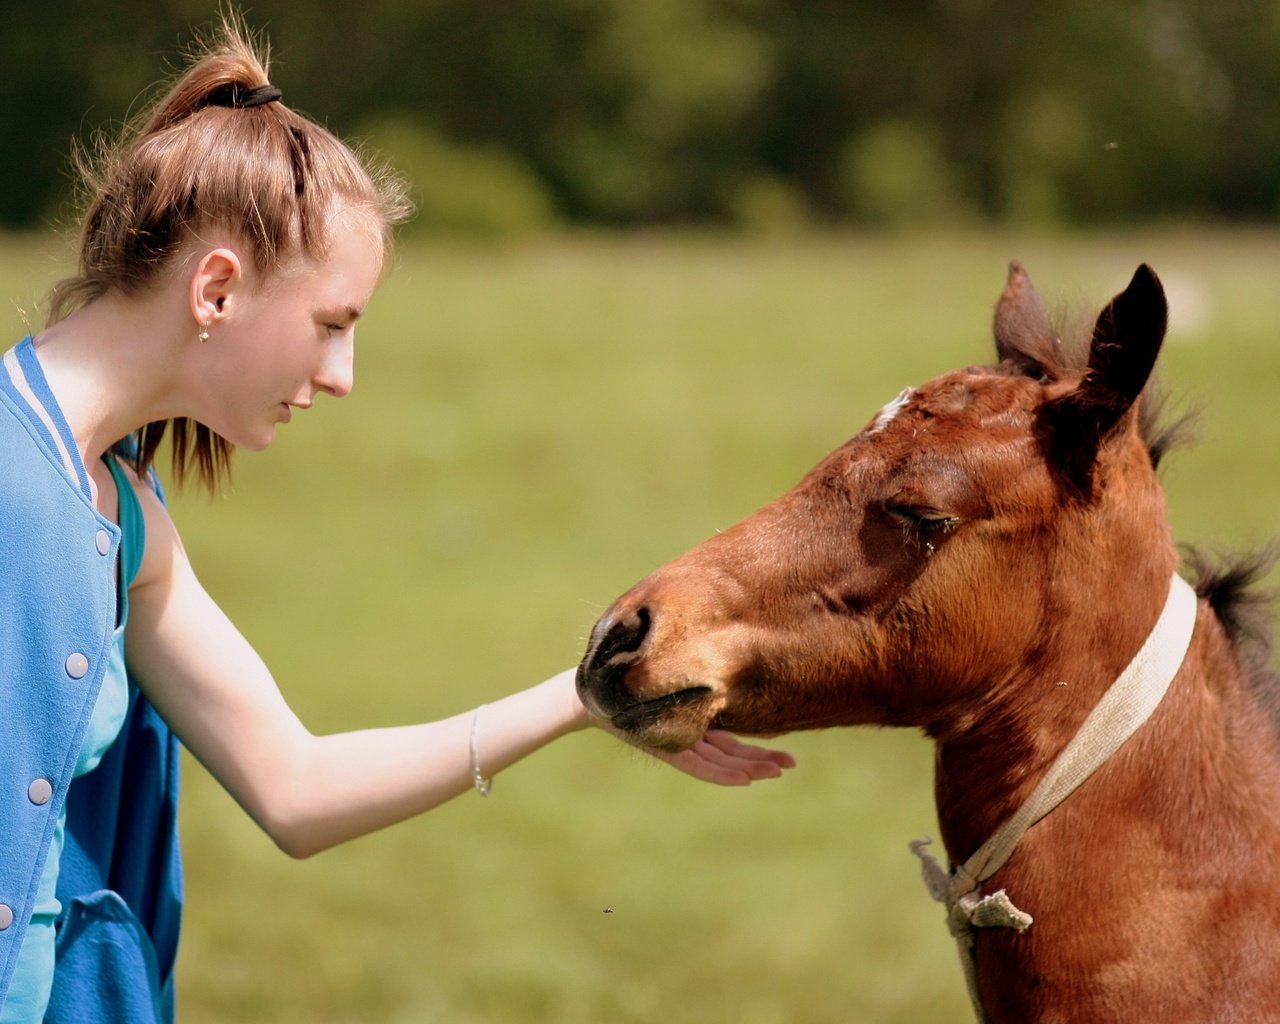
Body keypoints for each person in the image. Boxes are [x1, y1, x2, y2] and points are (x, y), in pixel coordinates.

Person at [0, 16, 794, 1023]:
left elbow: (295, 786)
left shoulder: (130, 517)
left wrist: (582, 698)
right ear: (215, 288)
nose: (340, 378)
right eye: (331, 325)